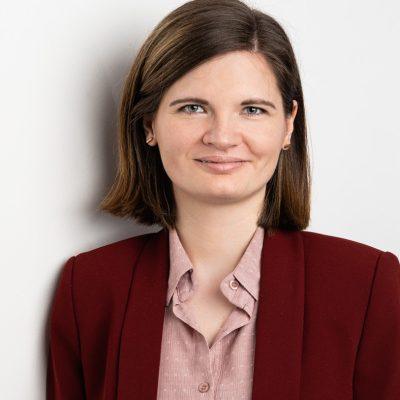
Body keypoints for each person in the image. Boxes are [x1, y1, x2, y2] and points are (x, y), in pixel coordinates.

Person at [46, 0, 400, 399]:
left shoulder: (364, 286)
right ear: (149, 123)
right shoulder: (89, 288)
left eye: (252, 109)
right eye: (193, 107)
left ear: (288, 124)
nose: (222, 137)